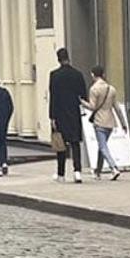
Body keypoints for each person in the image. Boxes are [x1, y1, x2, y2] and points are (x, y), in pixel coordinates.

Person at [48, 48, 87, 184]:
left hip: (59, 113)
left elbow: (53, 97)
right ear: (68, 58)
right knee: (75, 142)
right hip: (74, 112)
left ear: (58, 59)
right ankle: (77, 172)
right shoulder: (77, 74)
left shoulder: (54, 75)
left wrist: (52, 116)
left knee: (61, 144)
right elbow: (83, 94)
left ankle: (61, 174)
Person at [87, 66, 127, 180]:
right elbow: (117, 108)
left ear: (93, 75)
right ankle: (98, 172)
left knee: (103, 147)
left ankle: (113, 168)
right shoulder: (111, 89)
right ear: (103, 74)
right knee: (102, 146)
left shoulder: (94, 89)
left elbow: (92, 107)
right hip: (110, 122)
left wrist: (82, 102)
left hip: (99, 121)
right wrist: (123, 123)